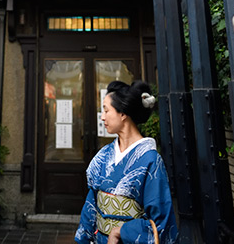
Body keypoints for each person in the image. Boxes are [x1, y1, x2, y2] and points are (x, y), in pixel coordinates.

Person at [75, 80, 178, 244]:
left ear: (122, 113)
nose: (102, 117)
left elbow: (161, 224)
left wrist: (121, 231)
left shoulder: (150, 160)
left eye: (106, 110)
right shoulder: (103, 156)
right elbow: (91, 206)